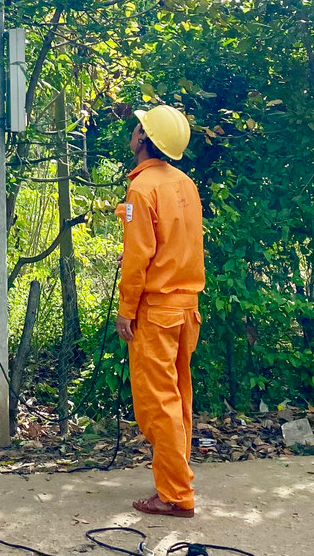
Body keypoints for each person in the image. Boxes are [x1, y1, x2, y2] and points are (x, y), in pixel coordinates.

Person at [115, 104, 205, 519]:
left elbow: (139, 258)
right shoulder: (185, 184)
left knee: (158, 406)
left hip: (156, 312)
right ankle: (175, 480)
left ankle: (174, 495)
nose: (133, 132)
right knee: (179, 399)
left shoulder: (141, 189)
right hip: (187, 309)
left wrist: (126, 309)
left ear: (143, 140)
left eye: (138, 128)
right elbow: (176, 242)